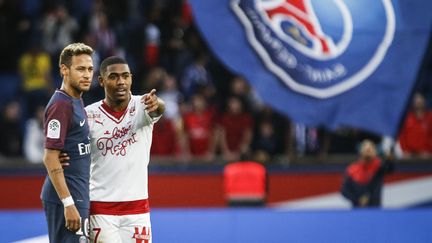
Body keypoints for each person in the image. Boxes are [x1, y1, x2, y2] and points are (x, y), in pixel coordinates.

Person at [85, 56, 165, 242]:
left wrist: (157, 104)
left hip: (137, 210)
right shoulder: (88, 115)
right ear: (101, 81)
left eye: (125, 76)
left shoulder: (142, 106)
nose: (121, 82)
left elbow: (158, 108)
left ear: (131, 78)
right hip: (100, 209)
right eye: (113, 76)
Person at [41, 43, 94, 242]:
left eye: (90, 69)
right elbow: (50, 156)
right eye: (80, 69)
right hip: (67, 198)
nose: (87, 75)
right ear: (64, 69)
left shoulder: (76, 100)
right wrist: (68, 203)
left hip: (78, 194)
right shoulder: (61, 105)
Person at [340, 140, 394, 208]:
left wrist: (389, 159)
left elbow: (389, 169)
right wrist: (358, 200)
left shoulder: (379, 167)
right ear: (360, 151)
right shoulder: (351, 170)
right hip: (357, 209)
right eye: (366, 148)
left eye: (371, 148)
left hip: (375, 209)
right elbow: (344, 191)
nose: (368, 149)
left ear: (375, 152)